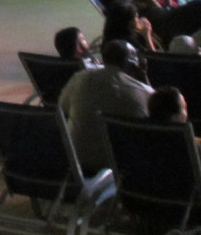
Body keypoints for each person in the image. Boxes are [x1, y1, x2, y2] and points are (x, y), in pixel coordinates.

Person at [58, 39, 154, 176]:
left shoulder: (80, 78)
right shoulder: (144, 92)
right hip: (117, 169)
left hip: (75, 161)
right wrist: (143, 77)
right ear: (133, 64)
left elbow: (62, 108)